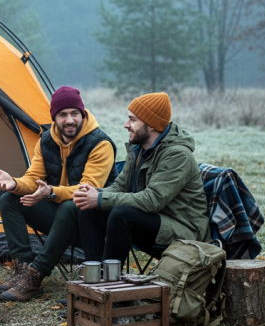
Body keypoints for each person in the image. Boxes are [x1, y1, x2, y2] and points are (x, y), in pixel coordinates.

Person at [0, 86, 116, 301]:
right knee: (9, 200)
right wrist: (14, 184)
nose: (70, 120)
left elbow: (87, 190)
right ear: (54, 118)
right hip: (60, 218)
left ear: (82, 114)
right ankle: (22, 272)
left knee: (72, 204)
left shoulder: (100, 144)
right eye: (63, 115)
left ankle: (35, 276)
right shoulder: (46, 141)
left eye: (75, 113)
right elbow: (33, 179)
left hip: (93, 221)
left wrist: (51, 192)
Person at [73, 92, 209, 264]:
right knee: (90, 210)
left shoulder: (177, 155)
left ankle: (111, 282)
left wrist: (100, 199)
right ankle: (97, 275)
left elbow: (152, 200)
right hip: (155, 221)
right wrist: (94, 194)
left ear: (151, 125)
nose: (126, 125)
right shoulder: (139, 149)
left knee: (122, 215)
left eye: (132, 120)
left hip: (184, 230)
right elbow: (120, 187)